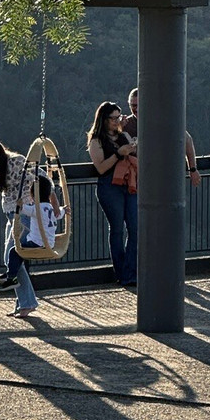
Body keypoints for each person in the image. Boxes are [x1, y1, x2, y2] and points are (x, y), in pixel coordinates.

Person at [0, 133, 43, 318]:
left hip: (24, 215)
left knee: (12, 255)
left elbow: (42, 178)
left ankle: (27, 302)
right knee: (13, 259)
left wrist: (45, 204)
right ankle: (23, 303)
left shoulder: (17, 161)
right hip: (12, 216)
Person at [87, 102, 138, 287]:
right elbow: (100, 168)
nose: (117, 120)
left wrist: (133, 147)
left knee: (135, 228)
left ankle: (131, 271)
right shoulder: (96, 141)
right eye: (113, 118)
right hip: (109, 186)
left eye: (119, 117)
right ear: (104, 119)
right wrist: (118, 153)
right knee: (117, 229)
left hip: (129, 183)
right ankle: (123, 273)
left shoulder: (123, 135)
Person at [0, 174, 67, 290]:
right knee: (20, 255)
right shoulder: (51, 209)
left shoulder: (36, 208)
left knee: (14, 251)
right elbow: (60, 213)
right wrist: (64, 209)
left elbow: (23, 209)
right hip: (50, 244)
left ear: (32, 195)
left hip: (37, 244)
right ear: (49, 195)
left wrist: (20, 204)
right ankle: (11, 274)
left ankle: (11, 277)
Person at [122, 87, 201, 188]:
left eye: (140, 105)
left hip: (161, 178)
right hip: (134, 180)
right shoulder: (126, 124)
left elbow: (186, 140)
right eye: (133, 105)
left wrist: (193, 169)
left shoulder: (163, 121)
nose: (136, 109)